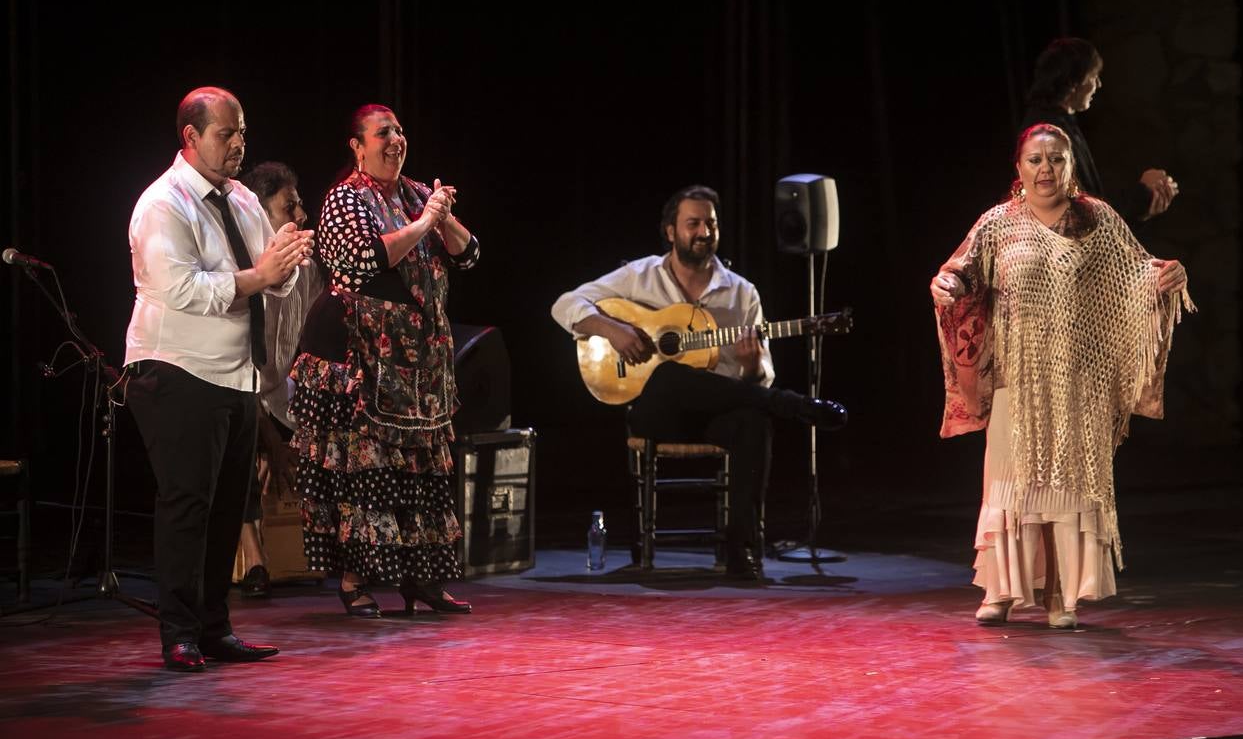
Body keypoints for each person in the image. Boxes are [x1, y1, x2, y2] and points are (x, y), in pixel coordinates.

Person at [930, 123, 1192, 628]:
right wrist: (947, 283)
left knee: (1065, 487)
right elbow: (962, 271)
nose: (1045, 169)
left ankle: (1058, 595)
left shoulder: (1098, 221)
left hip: (1078, 378)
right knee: (1010, 483)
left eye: (1055, 159)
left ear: (1071, 168)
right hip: (1016, 375)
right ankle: (1001, 591)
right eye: (1035, 160)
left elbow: (1138, 273)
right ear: (1019, 168)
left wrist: (1166, 277)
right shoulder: (998, 223)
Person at [551, 185, 847, 580]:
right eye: (693, 224)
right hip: (658, 413)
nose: (704, 232)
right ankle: (792, 405)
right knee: (671, 373)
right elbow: (564, 304)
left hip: (717, 414)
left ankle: (740, 551)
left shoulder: (742, 293)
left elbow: (759, 379)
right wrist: (613, 330)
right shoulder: (638, 277)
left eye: (711, 223)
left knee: (754, 421)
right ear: (670, 231)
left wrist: (749, 366)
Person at [124, 87, 314, 671]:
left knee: (230, 506)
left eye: (241, 133)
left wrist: (284, 262)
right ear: (191, 137)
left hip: (235, 375)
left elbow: (267, 279)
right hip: (178, 369)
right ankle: (178, 632)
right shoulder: (164, 203)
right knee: (188, 504)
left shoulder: (239, 199)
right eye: (225, 134)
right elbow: (180, 289)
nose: (238, 145)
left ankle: (213, 627)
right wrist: (262, 274)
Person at [290, 104, 479, 618]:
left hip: (419, 367)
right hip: (361, 358)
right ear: (357, 145)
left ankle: (423, 580)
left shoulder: (419, 194)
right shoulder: (343, 199)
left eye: (399, 131)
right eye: (382, 133)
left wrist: (443, 217)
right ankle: (354, 581)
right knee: (366, 470)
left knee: (421, 474)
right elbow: (365, 259)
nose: (395, 140)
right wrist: (424, 223)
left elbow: (469, 254)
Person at [234, 162, 323, 598]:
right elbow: (240, 372)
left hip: (283, 394)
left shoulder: (308, 268)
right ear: (260, 214)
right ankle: (255, 559)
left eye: (300, 203)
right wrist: (271, 442)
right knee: (236, 435)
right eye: (290, 207)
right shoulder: (246, 271)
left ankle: (325, 551)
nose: (302, 215)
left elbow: (309, 348)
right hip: (242, 393)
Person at [1023, 37, 1179, 224]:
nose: (1098, 85)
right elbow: (1078, 215)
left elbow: (1089, 203)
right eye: (1092, 77)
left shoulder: (1060, 125)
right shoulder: (1046, 136)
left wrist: (1146, 199)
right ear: (1074, 82)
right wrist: (1144, 194)